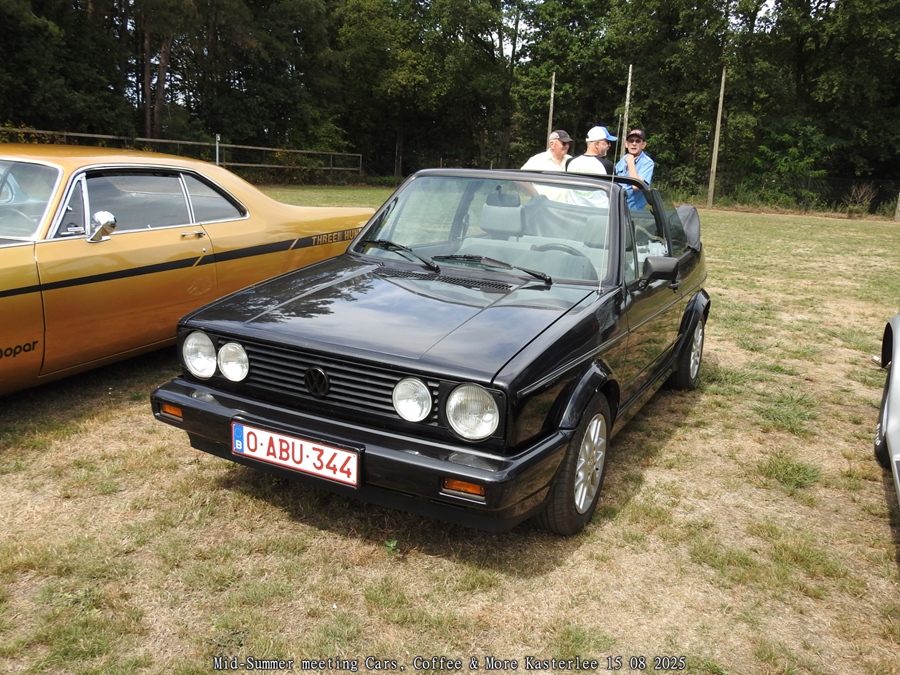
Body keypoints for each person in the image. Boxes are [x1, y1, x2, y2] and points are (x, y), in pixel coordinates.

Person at [615, 129, 655, 209]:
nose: (634, 144)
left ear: (643, 145)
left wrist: (631, 163)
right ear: (626, 144)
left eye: (638, 141)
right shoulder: (623, 160)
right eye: (631, 141)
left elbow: (636, 185)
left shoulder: (647, 162)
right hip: (617, 208)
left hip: (633, 212)